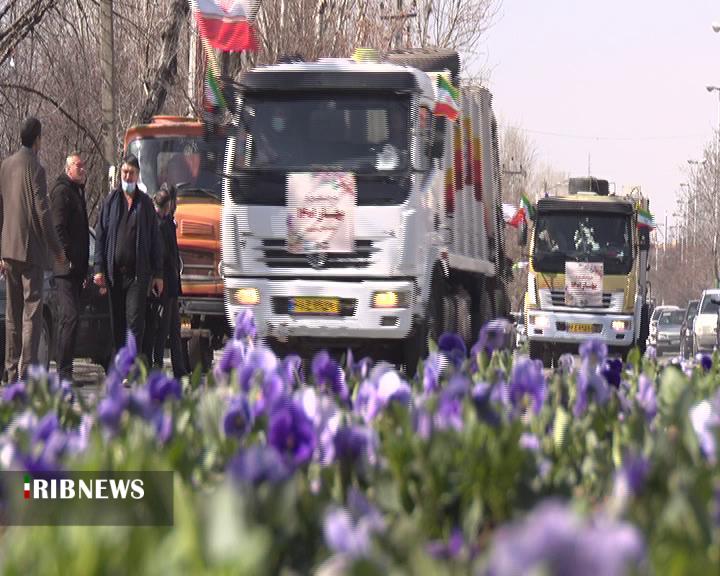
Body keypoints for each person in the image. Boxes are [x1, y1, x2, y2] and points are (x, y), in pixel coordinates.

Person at [0, 117, 69, 383]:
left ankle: (9, 370)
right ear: (37, 139)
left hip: (8, 249)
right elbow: (42, 212)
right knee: (32, 313)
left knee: (12, 315)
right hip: (31, 251)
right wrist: (58, 249)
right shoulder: (36, 168)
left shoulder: (5, 166)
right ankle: (26, 372)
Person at [94, 154, 163, 363]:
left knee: (134, 321)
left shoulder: (145, 205)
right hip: (115, 275)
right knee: (118, 323)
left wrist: (158, 274)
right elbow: (101, 235)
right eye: (124, 172)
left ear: (137, 175)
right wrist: (99, 268)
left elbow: (155, 241)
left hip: (137, 276)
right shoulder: (110, 202)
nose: (127, 176)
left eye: (131, 173)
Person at [50, 151, 89, 383]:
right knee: (69, 317)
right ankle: (62, 370)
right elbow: (58, 228)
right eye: (78, 165)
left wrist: (82, 268)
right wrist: (68, 258)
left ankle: (67, 369)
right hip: (64, 269)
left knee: (73, 319)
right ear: (68, 168)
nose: (82, 169)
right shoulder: (62, 192)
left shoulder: (77, 192)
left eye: (83, 165)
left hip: (76, 270)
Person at [142, 184, 187, 378]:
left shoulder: (167, 222)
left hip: (170, 283)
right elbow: (162, 256)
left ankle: (179, 368)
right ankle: (158, 364)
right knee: (162, 328)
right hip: (164, 284)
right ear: (167, 205)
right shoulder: (159, 225)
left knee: (173, 328)